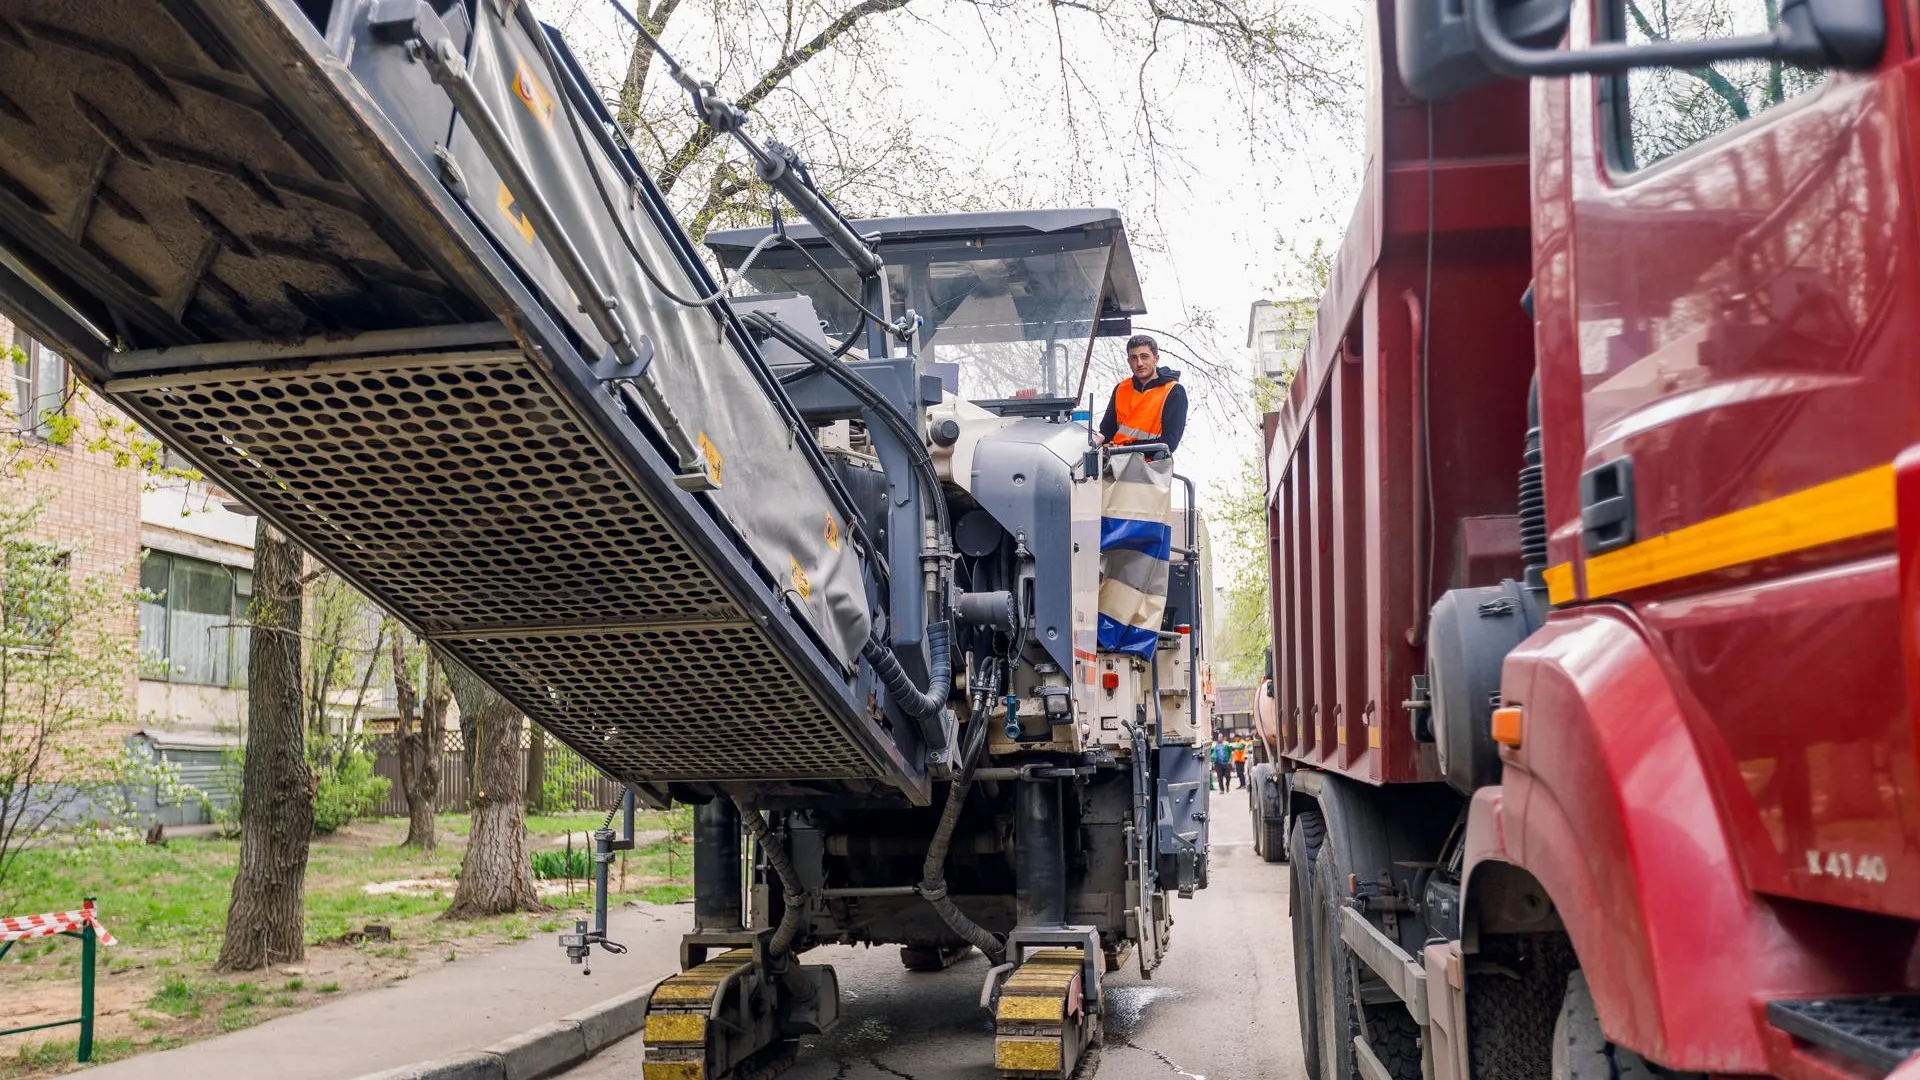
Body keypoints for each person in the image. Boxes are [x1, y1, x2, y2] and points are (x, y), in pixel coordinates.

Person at [1094, 335, 1188, 453]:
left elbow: (1169, 443)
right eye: (1134, 358)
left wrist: (1125, 448)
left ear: (1156, 358)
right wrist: (1101, 442)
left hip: (1153, 466)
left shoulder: (1174, 391)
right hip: (1116, 462)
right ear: (1128, 361)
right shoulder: (1121, 388)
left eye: (1144, 357)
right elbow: (1107, 430)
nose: (1139, 363)